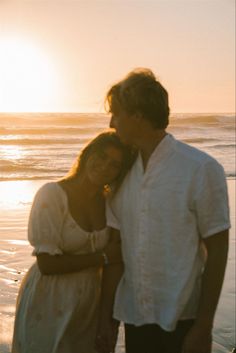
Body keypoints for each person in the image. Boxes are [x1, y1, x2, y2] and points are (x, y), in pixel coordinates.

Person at [96, 69, 230, 353]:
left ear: (138, 116)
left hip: (185, 319)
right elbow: (117, 253)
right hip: (136, 318)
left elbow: (217, 251)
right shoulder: (121, 176)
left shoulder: (200, 169)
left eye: (116, 113)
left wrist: (203, 327)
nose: (111, 123)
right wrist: (107, 320)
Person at [11, 131, 136, 353]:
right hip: (48, 298)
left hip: (89, 303)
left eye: (115, 164)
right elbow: (47, 265)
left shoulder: (110, 205)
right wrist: (103, 257)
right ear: (88, 154)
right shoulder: (52, 195)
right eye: (102, 156)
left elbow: (115, 263)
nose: (105, 166)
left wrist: (107, 320)